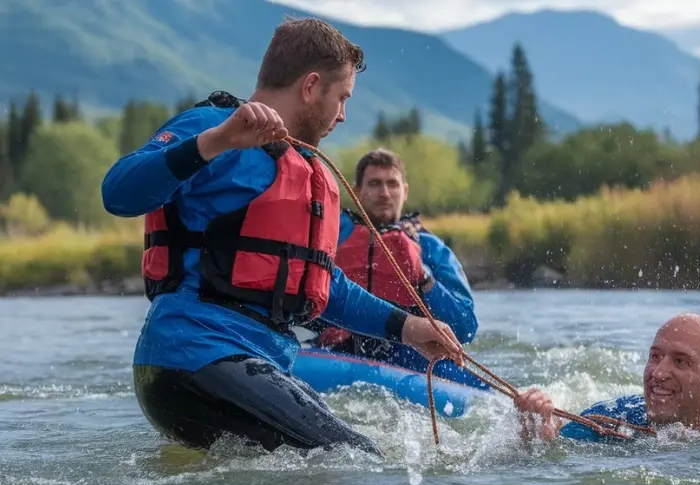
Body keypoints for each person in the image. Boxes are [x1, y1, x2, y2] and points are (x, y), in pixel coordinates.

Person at [100, 17, 463, 457]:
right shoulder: (213, 127)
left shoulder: (310, 172)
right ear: (311, 86)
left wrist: (408, 327)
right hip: (195, 356)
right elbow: (117, 192)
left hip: (257, 362)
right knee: (355, 460)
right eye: (342, 98)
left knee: (349, 457)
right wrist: (215, 142)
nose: (343, 115)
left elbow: (323, 285)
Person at [307, 148, 478, 372]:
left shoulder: (431, 248)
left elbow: (465, 329)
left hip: (411, 361)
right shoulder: (331, 236)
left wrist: (423, 279)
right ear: (357, 191)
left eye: (392, 184)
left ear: (404, 191)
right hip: (338, 353)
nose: (385, 193)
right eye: (375, 184)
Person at [513, 313, 700, 443]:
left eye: (680, 362)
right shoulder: (613, 417)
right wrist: (536, 438)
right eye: (655, 356)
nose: (658, 373)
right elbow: (558, 450)